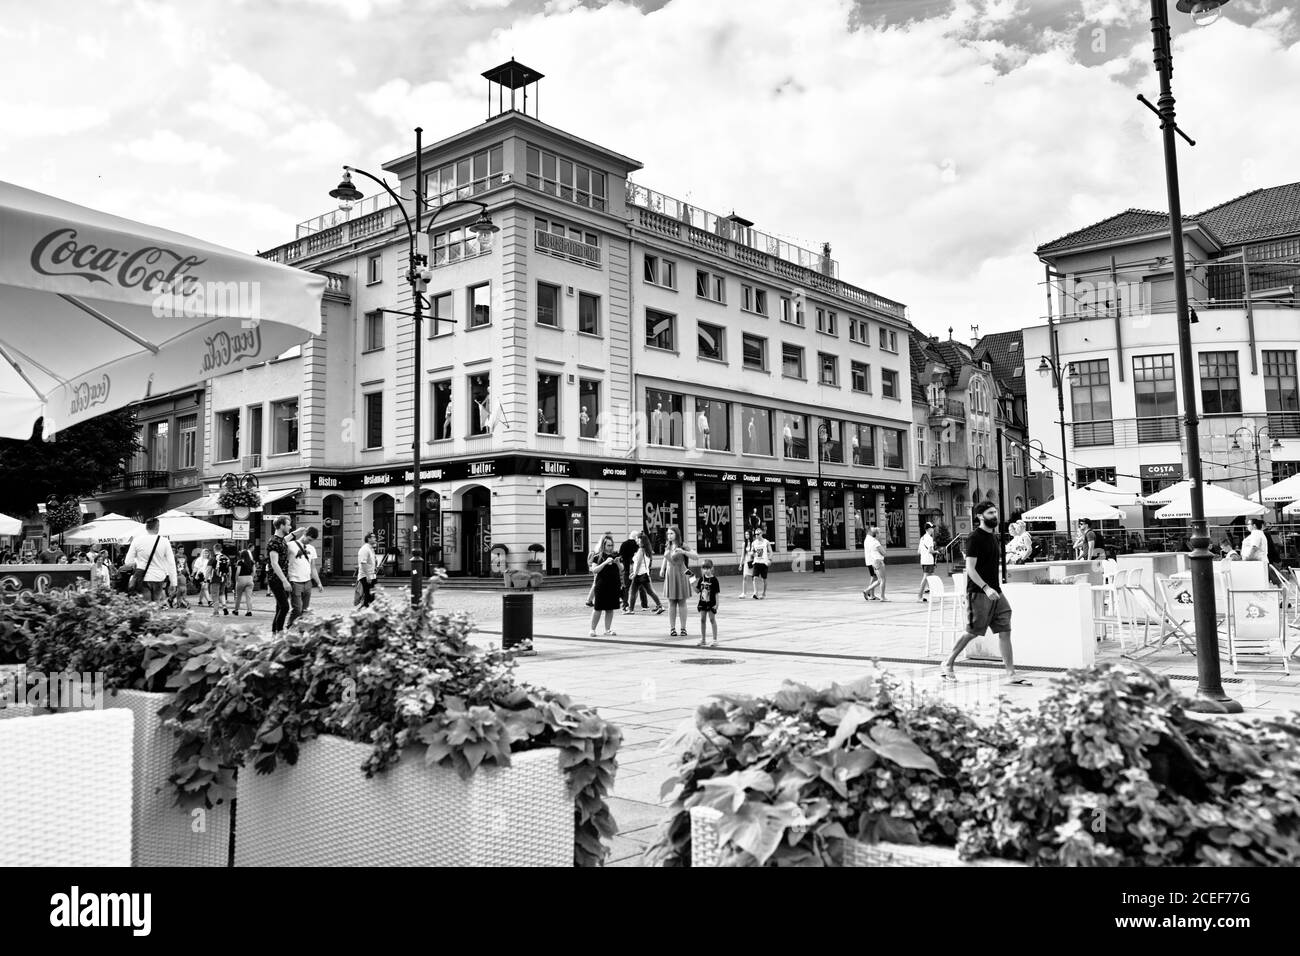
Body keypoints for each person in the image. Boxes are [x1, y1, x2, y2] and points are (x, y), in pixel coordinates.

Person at [940, 501, 1030, 687]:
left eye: (995, 512)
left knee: (1005, 630)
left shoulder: (994, 537)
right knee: (973, 632)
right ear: (980, 516)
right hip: (979, 592)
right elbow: (970, 569)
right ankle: (948, 663)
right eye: (990, 513)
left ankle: (1011, 673)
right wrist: (986, 588)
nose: (994, 516)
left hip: (996, 592)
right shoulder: (975, 537)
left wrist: (994, 588)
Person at [123, 518, 177, 603]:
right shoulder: (165, 541)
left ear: (146, 527)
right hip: (159, 577)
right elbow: (171, 563)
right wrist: (174, 582)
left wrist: (137, 563)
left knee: (146, 604)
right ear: (157, 527)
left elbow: (128, 562)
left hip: (143, 577)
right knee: (156, 603)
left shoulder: (137, 540)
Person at [660, 525, 700, 637]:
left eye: (671, 533)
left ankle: (683, 628)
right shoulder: (668, 545)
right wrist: (662, 569)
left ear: (677, 534)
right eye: (668, 534)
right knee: (671, 602)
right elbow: (665, 557)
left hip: (681, 574)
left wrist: (683, 552)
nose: (669, 536)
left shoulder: (683, 545)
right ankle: (672, 628)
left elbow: (696, 556)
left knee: (682, 601)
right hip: (670, 574)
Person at [287, 527, 324, 627]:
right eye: (309, 539)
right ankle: (290, 626)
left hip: (308, 582)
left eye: (312, 541)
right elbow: (279, 544)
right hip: (295, 580)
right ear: (305, 534)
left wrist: (319, 582)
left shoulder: (312, 549)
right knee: (297, 608)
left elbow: (313, 568)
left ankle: (301, 629)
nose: (309, 542)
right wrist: (294, 533)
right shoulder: (291, 545)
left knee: (305, 610)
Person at [588, 534, 622, 637]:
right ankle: (592, 629)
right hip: (601, 585)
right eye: (608, 545)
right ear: (603, 545)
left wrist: (617, 563)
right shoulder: (597, 556)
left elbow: (622, 569)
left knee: (610, 608)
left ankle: (608, 629)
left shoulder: (616, 555)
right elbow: (594, 570)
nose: (610, 547)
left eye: (612, 545)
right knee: (598, 608)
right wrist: (605, 563)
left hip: (613, 585)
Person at [265, 516, 293, 636]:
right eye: (288, 525)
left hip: (282, 577)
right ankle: (280, 631)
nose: (290, 527)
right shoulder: (273, 542)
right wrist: (284, 581)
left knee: (279, 607)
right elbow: (274, 563)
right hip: (276, 579)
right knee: (285, 607)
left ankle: (274, 632)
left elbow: (286, 538)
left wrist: (297, 533)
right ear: (281, 526)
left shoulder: (281, 540)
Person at [628, 532, 665, 614]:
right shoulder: (647, 549)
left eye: (637, 539)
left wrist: (635, 573)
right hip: (644, 574)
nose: (636, 540)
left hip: (639, 575)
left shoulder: (641, 550)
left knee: (633, 592)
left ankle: (631, 610)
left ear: (641, 540)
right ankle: (660, 606)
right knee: (649, 591)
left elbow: (639, 563)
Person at [695, 558, 720, 647]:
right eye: (704, 568)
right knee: (702, 620)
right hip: (702, 602)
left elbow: (717, 593)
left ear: (712, 568)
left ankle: (715, 639)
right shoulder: (701, 579)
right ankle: (703, 639)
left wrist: (717, 604)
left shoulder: (714, 580)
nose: (706, 570)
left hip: (711, 603)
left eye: (708, 568)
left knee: (712, 619)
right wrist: (691, 583)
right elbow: (697, 591)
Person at [618, 531, 640, 613]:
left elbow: (620, 556)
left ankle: (625, 604)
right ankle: (640, 605)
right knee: (636, 588)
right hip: (636, 569)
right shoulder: (637, 545)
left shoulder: (624, 544)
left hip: (626, 568)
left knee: (626, 587)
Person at [233, 544, 257, 616]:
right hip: (249, 578)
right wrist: (251, 578)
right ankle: (249, 611)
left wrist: (236, 579)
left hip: (241, 579)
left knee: (238, 596)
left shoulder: (240, 562)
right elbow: (254, 571)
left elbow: (238, 572)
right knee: (248, 597)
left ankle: (236, 610)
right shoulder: (252, 562)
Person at [356, 532, 379, 608]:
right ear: (369, 539)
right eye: (373, 537)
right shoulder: (365, 549)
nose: (375, 538)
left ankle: (366, 611)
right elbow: (363, 563)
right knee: (369, 597)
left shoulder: (370, 549)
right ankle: (364, 612)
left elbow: (370, 562)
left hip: (372, 576)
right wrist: (368, 576)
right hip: (366, 577)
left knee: (372, 597)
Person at [863, 527, 886, 600]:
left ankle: (870, 593)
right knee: (877, 578)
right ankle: (869, 592)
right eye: (879, 532)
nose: (880, 534)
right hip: (873, 561)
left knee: (876, 578)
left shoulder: (868, 539)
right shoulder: (872, 540)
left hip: (872, 561)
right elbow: (883, 552)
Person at [749, 528, 771, 599]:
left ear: (761, 534)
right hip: (756, 562)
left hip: (764, 563)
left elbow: (771, 552)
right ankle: (755, 593)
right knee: (755, 578)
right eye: (755, 534)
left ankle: (764, 593)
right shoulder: (754, 543)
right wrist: (752, 554)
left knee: (764, 579)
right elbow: (751, 551)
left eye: (758, 534)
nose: (756, 536)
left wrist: (769, 560)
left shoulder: (766, 542)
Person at [917, 523, 936, 602]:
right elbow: (930, 550)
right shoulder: (929, 538)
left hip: (923, 560)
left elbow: (918, 551)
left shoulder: (922, 538)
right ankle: (920, 596)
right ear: (928, 529)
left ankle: (932, 591)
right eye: (932, 528)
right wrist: (937, 552)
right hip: (928, 560)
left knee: (930, 576)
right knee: (925, 578)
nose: (933, 529)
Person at [211, 547, 233, 616]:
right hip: (224, 578)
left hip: (215, 578)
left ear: (214, 549)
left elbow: (208, 569)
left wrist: (205, 579)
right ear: (221, 549)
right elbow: (230, 570)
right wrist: (229, 579)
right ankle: (224, 607)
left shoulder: (213, 558)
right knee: (222, 593)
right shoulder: (226, 558)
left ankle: (216, 612)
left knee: (215, 595)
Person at [738, 530, 756, 598]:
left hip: (752, 562)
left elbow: (756, 553)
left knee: (753, 578)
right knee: (744, 577)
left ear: (750, 535)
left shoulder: (754, 543)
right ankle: (744, 593)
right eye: (745, 534)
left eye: (748, 534)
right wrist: (740, 564)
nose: (746, 536)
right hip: (746, 562)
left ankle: (755, 592)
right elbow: (742, 555)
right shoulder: (744, 544)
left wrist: (753, 555)